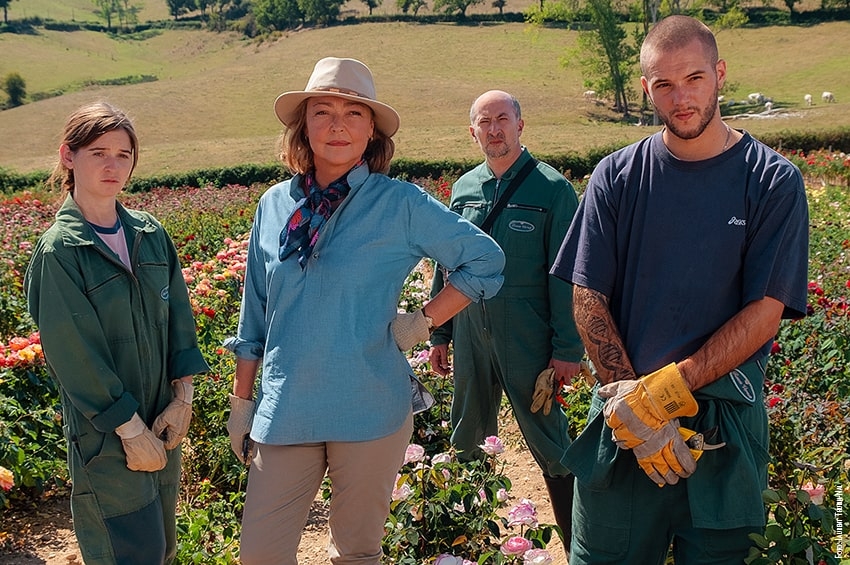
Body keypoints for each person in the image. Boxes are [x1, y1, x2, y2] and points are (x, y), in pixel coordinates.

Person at [223, 57, 505, 565]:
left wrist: (421, 322)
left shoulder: (398, 203)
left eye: (354, 113)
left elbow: (485, 259)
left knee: (355, 554)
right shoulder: (273, 205)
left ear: (371, 130)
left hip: (370, 405)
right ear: (302, 126)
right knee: (259, 555)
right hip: (287, 408)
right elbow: (254, 315)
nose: (337, 125)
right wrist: (242, 402)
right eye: (322, 111)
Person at [551, 15, 809, 564]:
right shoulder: (616, 176)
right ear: (647, 89)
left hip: (723, 427)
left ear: (719, 75)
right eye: (664, 85)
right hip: (623, 427)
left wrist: (661, 396)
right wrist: (631, 403)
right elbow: (587, 296)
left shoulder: (771, 180)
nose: (681, 98)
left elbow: (765, 312)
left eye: (693, 78)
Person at [25, 101, 210, 565]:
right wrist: (128, 429)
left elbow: (180, 322)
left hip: (162, 419)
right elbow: (75, 354)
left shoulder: (150, 234)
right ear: (69, 156)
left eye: (124, 155)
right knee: (128, 551)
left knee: (163, 548)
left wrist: (182, 397)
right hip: (106, 435)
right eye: (98, 152)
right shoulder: (61, 252)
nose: (113, 165)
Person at [428, 89, 584, 556]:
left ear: (520, 124)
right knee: (467, 434)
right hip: (472, 331)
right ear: (472, 131)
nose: (494, 129)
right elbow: (446, 263)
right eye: (484, 122)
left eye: (502, 119)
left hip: (528, 334)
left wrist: (566, 349)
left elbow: (567, 276)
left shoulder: (552, 189)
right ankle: (468, 544)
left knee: (550, 440)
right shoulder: (464, 189)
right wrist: (439, 332)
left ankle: (581, 544)